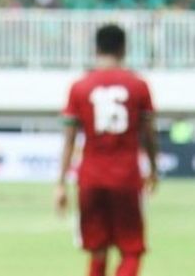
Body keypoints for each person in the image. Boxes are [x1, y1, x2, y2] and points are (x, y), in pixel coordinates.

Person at [55, 24, 158, 276]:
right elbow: (149, 135)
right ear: (124, 48)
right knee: (131, 250)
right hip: (126, 177)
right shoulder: (138, 86)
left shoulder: (80, 87)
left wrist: (60, 183)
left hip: (90, 178)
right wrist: (154, 169)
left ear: (96, 48)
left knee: (97, 250)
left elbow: (69, 140)